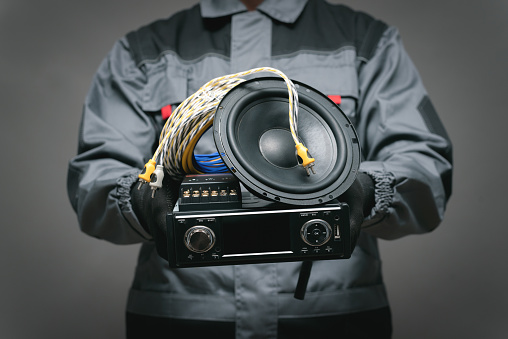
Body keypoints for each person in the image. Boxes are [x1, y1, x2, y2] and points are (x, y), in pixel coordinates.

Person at [67, 0, 453, 338]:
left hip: (332, 317)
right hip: (186, 317)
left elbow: (425, 167)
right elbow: (94, 178)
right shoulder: (145, 51)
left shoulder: (365, 41)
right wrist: (142, 201)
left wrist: (367, 189)